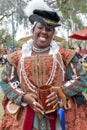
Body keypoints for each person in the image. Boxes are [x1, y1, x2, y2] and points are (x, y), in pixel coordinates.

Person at [0, 5, 87, 130]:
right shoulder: (17, 57)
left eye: (49, 29)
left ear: (53, 33)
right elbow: (6, 81)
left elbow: (81, 78)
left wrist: (60, 92)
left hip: (60, 114)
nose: (44, 32)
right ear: (33, 30)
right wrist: (24, 97)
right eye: (40, 27)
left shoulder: (65, 55)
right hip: (26, 114)